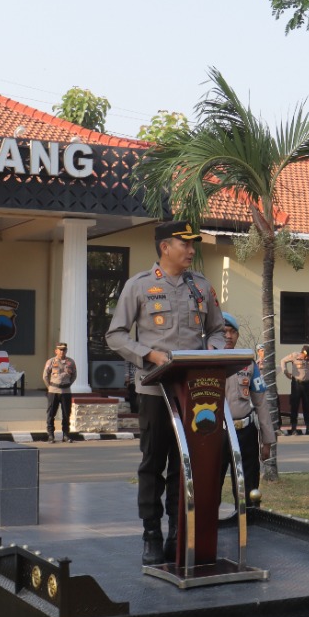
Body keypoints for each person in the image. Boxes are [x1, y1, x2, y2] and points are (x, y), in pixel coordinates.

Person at [105, 219, 225, 565]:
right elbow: (115, 335)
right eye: (184, 245)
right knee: (152, 465)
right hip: (155, 392)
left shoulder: (201, 286)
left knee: (183, 467)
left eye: (193, 245)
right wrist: (148, 354)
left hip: (193, 393)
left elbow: (216, 330)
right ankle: (151, 535)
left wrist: (215, 351)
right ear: (164, 248)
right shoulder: (139, 286)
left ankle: (177, 533)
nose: (191, 251)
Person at [219, 315, 274, 496]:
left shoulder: (247, 362)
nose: (228, 336)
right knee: (211, 488)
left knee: (248, 489)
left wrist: (267, 440)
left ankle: (248, 522)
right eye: (223, 331)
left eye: (232, 331)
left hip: (245, 432)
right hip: (216, 434)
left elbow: (261, 402)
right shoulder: (204, 360)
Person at [42, 341, 78, 443]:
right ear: (56, 351)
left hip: (66, 391)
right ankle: (51, 435)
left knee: (66, 414)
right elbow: (45, 376)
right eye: (60, 350)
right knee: (51, 414)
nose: (62, 352)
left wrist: (68, 384)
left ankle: (66, 435)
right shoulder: (51, 361)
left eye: (64, 350)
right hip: (53, 390)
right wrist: (49, 387)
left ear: (66, 350)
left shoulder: (71, 362)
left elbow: (74, 375)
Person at [282, 345, 309, 435]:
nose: (306, 358)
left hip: (307, 385)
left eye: (308, 356)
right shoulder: (294, 356)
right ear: (301, 353)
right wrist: (285, 372)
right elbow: (283, 361)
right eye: (305, 356)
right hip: (296, 384)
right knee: (294, 406)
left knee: (307, 407)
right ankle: (293, 429)